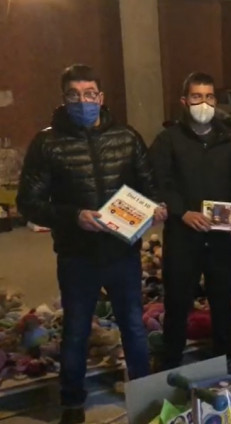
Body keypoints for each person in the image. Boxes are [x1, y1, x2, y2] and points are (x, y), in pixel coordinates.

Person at [16, 64, 167, 424]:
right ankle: (72, 403)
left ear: (100, 97)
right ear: (64, 99)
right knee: (76, 330)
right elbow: (28, 202)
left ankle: (144, 396)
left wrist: (157, 207)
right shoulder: (47, 143)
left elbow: (150, 185)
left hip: (123, 252)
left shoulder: (126, 137)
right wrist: (74, 216)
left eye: (89, 94)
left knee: (133, 326)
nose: (83, 101)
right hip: (76, 255)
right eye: (74, 95)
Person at [149, 72, 231, 374]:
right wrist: (182, 213)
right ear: (185, 101)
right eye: (197, 97)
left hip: (221, 235)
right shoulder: (168, 139)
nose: (203, 103)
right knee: (178, 299)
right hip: (184, 235)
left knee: (222, 298)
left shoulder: (228, 139)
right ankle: (171, 359)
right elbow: (161, 182)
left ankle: (226, 353)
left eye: (209, 97)